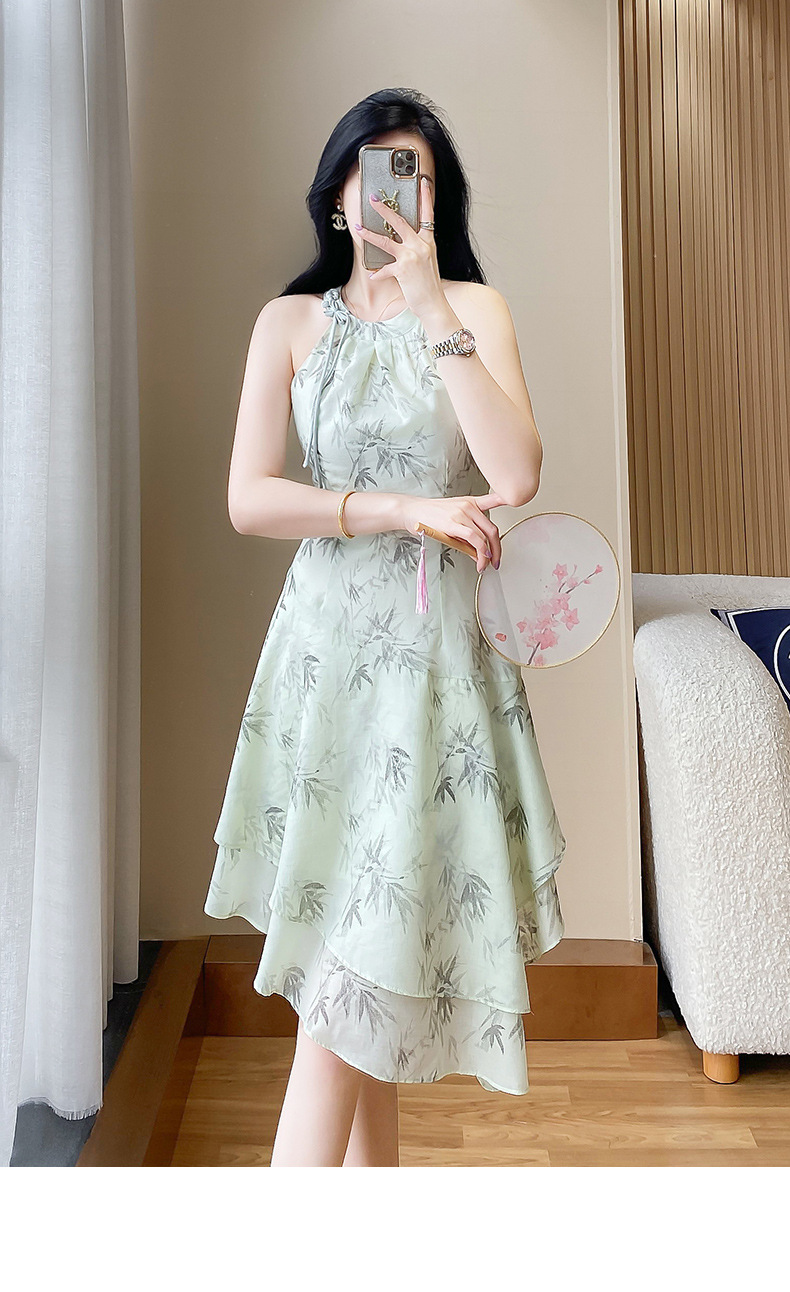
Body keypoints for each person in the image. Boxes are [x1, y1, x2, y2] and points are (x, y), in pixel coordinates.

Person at [203, 87, 567, 1167]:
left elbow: (514, 474)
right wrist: (405, 509)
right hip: (323, 663)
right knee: (345, 971)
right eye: (379, 172)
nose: (399, 194)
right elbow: (250, 498)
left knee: (353, 978)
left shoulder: (474, 311)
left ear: (440, 201)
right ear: (337, 195)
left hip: (433, 673)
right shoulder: (289, 324)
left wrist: (431, 306)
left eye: (420, 177)